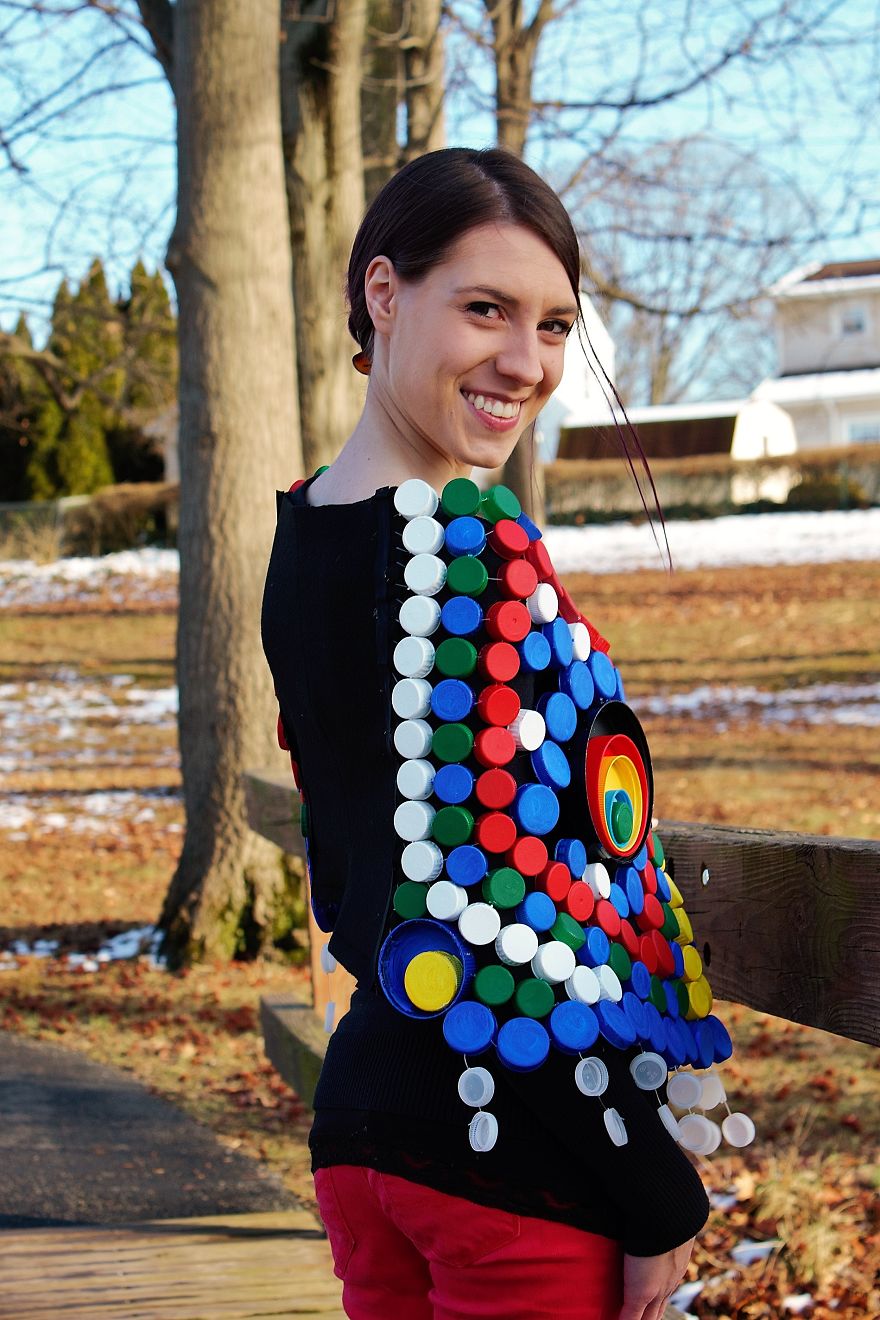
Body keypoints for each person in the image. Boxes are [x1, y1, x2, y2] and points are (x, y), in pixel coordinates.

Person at [261, 147, 709, 1320]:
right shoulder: (473, 553)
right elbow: (492, 920)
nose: (527, 361)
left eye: (554, 324)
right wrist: (652, 1189)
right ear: (383, 294)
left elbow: (354, 877)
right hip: (513, 1160)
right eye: (486, 309)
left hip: (365, 1133)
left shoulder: (305, 537)